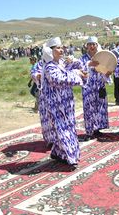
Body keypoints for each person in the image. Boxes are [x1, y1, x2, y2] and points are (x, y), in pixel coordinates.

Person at [41, 37, 85, 166]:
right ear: (50, 51)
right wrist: (76, 73)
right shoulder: (49, 67)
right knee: (63, 129)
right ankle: (70, 157)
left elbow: (79, 67)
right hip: (56, 105)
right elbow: (59, 80)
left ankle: (58, 153)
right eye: (58, 48)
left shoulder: (60, 64)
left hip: (65, 104)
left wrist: (75, 63)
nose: (61, 50)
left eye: (61, 47)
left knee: (68, 127)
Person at [72, 36, 112, 141]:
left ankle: (97, 129)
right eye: (90, 44)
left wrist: (107, 74)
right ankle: (89, 131)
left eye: (94, 44)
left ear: (97, 45)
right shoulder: (82, 58)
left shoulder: (102, 57)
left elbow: (106, 70)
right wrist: (89, 65)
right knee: (89, 109)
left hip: (99, 87)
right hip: (88, 88)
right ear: (87, 46)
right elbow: (78, 71)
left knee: (100, 107)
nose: (92, 46)